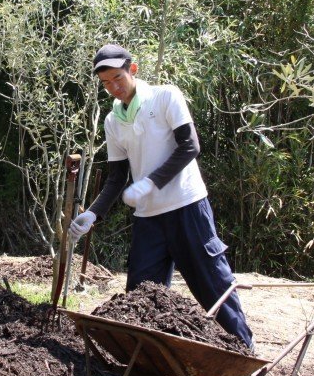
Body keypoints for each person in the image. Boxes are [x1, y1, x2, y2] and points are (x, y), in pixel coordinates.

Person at [69, 44, 253, 348]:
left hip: (187, 207)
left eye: (118, 78)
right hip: (148, 220)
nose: (114, 87)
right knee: (141, 298)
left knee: (213, 284)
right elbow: (117, 177)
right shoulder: (113, 121)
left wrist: (152, 182)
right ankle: (145, 367)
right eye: (106, 83)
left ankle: (242, 351)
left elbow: (190, 146)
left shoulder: (166, 96)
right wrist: (93, 213)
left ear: (133, 70)